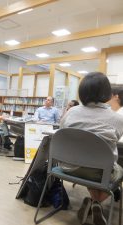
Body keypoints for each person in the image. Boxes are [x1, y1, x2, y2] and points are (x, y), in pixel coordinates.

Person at [60, 72, 123, 225]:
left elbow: (61, 130)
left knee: (90, 166)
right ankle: (95, 202)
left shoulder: (71, 112)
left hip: (68, 167)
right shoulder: (117, 119)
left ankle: (92, 201)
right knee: (113, 170)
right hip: (98, 172)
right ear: (108, 93)